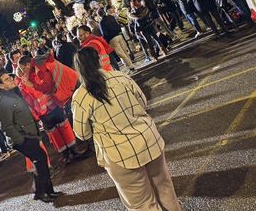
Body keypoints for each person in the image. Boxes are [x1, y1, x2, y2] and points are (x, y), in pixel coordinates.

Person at [72, 48, 181, 211]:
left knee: (142, 204)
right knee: (165, 188)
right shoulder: (121, 77)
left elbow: (82, 133)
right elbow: (143, 103)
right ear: (99, 60)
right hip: (148, 140)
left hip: (119, 153)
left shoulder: (81, 96)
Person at [0, 70, 64, 204]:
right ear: (0, 86)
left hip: (30, 134)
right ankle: (43, 192)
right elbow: (7, 127)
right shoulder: (2, 102)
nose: (11, 79)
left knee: (41, 160)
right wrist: (22, 140)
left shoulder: (11, 93)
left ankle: (45, 191)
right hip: (23, 138)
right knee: (40, 159)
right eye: (7, 79)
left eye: (10, 77)